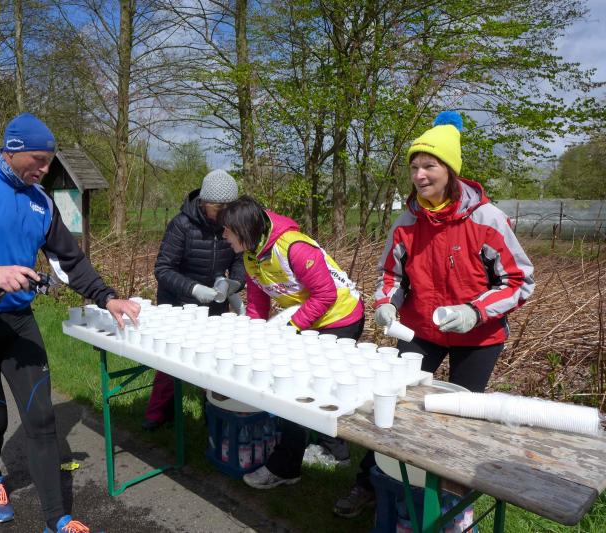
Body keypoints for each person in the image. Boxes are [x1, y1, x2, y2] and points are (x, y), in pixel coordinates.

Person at [0, 112, 140, 533]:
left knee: (41, 419)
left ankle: (56, 519)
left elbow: (70, 261)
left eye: (49, 160)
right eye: (39, 159)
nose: (45, 168)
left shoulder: (42, 203)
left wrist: (107, 296)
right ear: (13, 150)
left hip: (18, 322)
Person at [333, 111, 535, 518]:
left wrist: (474, 311)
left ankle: (448, 500)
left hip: (478, 337)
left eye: (429, 166)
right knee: (394, 405)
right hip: (420, 331)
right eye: (414, 167)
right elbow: (391, 275)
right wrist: (386, 303)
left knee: (459, 417)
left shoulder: (488, 220)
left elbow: (519, 280)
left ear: (450, 170)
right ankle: (369, 484)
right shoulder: (407, 221)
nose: (420, 175)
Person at [217, 195, 365, 489]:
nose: (224, 236)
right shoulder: (251, 254)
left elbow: (326, 294)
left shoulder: (293, 247)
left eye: (228, 230)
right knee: (309, 388)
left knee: (301, 389)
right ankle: (330, 451)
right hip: (310, 318)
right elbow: (258, 301)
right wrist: (254, 335)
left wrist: (292, 327)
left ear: (244, 230)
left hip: (341, 317)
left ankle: (288, 467)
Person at [142, 169, 245, 430]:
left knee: (214, 359)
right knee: (169, 359)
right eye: (218, 209)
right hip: (178, 302)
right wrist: (194, 288)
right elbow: (163, 269)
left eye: (228, 209)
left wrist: (234, 283)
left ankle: (214, 412)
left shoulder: (232, 225)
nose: (223, 214)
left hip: (216, 300)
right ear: (204, 202)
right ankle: (158, 412)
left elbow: (239, 259)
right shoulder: (182, 225)